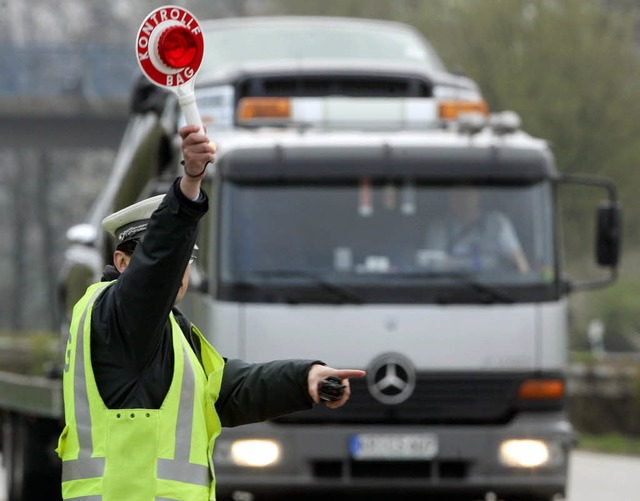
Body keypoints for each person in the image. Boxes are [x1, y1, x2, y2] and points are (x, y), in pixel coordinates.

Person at [56, 124, 366, 501]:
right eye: (173, 261)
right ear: (122, 261)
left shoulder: (165, 329)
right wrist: (189, 185)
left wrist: (305, 379)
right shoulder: (119, 316)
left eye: (189, 260)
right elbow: (156, 268)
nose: (180, 271)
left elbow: (227, 390)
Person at [424, 186, 530, 273]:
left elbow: (519, 260)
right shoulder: (440, 228)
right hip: (453, 290)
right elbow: (434, 266)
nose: (464, 200)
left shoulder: (497, 223)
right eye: (458, 195)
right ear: (450, 200)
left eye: (468, 194)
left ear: (477, 196)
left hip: (496, 288)